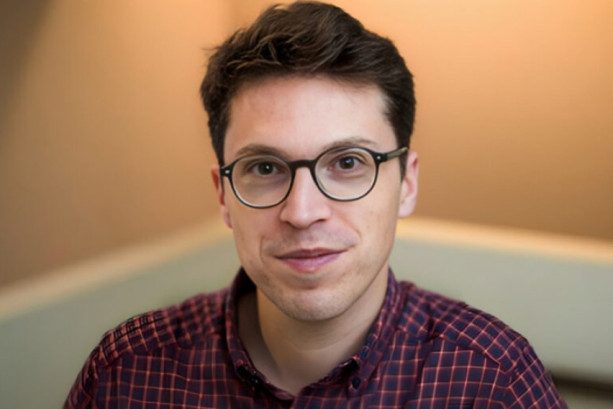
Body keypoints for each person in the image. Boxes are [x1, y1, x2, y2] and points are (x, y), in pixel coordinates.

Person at [65, 1, 567, 408]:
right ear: (223, 196)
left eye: (347, 162)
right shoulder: (124, 374)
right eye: (265, 168)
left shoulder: (493, 380)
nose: (303, 212)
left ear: (406, 184)